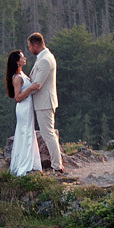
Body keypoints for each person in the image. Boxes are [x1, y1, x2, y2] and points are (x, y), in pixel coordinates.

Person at [23, 32, 66, 174]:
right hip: (44, 101)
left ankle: (57, 166)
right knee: (49, 133)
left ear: (36, 45)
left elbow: (37, 84)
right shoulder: (44, 57)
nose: (29, 49)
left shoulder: (45, 60)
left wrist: (22, 94)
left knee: (48, 134)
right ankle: (56, 164)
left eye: (30, 46)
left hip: (44, 102)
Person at [5, 50, 38, 175]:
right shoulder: (17, 78)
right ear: (17, 61)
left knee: (28, 132)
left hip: (27, 107)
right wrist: (30, 88)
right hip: (23, 108)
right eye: (22, 57)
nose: (25, 59)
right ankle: (23, 165)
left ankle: (29, 161)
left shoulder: (21, 74)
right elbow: (17, 98)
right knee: (25, 133)